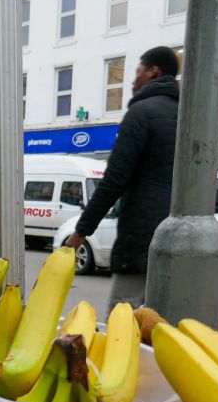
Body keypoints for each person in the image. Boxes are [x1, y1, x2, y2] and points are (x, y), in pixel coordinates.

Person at [65, 46, 180, 311]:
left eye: (137, 71)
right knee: (161, 322)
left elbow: (114, 179)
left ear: (154, 72)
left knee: (121, 315)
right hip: (181, 238)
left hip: (142, 237)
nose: (132, 80)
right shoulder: (188, 113)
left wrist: (81, 231)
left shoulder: (141, 113)